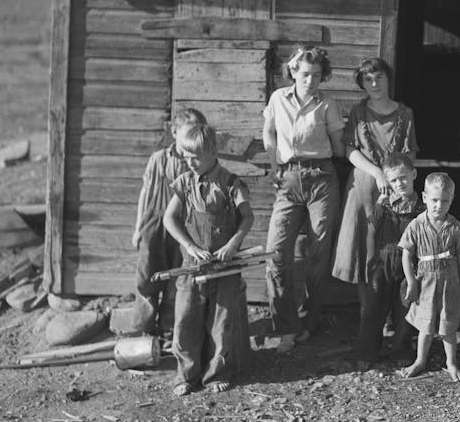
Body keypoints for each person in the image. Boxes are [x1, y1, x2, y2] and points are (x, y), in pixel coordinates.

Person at [263, 45, 346, 353]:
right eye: (306, 74)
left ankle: (307, 322)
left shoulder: (328, 105)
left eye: (317, 75)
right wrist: (274, 164)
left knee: (318, 253)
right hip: (287, 179)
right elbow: (268, 132)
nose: (311, 80)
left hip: (322, 179)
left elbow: (338, 147)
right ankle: (285, 326)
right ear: (294, 72)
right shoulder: (277, 99)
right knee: (276, 252)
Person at [162, 124, 254, 396]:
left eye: (196, 157)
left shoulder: (231, 183)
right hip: (192, 267)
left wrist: (232, 245)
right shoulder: (184, 183)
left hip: (225, 266)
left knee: (221, 322)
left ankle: (216, 374)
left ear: (213, 151)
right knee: (186, 319)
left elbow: (247, 217)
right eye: (186, 157)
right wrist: (189, 246)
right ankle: (186, 376)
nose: (190, 162)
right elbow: (169, 219)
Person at [332, 58, 418, 336]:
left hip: (395, 190)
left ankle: (393, 316)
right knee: (364, 251)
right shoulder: (359, 112)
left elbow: (410, 152)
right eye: (367, 80)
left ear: (387, 78)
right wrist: (377, 173)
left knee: (390, 252)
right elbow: (350, 150)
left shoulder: (405, 114)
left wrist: (395, 179)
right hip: (364, 186)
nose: (374, 84)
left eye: (378, 77)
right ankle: (369, 316)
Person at [131, 107, 207, 342]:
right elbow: (145, 192)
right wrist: (137, 228)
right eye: (185, 134)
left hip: (183, 228)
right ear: (174, 133)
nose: (187, 142)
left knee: (177, 276)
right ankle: (144, 328)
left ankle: (169, 329)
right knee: (147, 275)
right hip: (154, 224)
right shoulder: (158, 159)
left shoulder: (196, 163)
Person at [354, 152, 423, 370]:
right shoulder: (384, 205)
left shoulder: (422, 207)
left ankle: (401, 350)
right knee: (374, 308)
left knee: (404, 309)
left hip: (409, 264)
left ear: (413, 174)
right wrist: (370, 262)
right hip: (383, 261)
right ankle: (367, 351)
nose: (399, 183)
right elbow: (371, 231)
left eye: (403, 177)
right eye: (393, 180)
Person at [399, 172, 460, 382]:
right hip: (426, 283)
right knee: (426, 325)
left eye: (445, 201)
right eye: (434, 200)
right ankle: (420, 360)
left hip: (450, 283)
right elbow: (406, 253)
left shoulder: (455, 227)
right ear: (424, 198)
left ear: (452, 200)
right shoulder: (417, 225)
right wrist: (411, 281)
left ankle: (451, 363)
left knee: (448, 326)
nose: (439, 205)